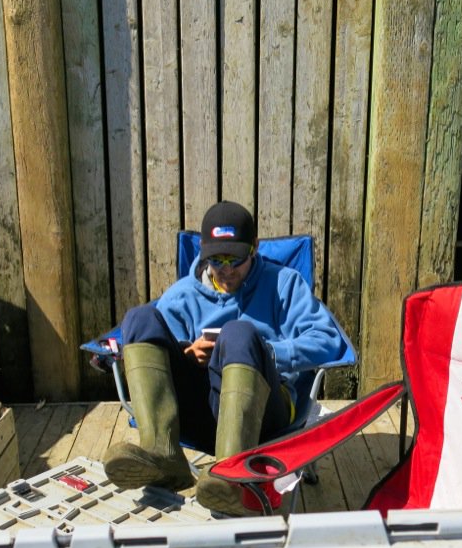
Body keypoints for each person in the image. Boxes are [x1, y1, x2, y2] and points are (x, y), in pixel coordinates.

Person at [102, 200, 347, 515]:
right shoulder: (182, 295)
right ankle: (163, 454)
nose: (227, 269)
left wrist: (267, 352)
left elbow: (329, 341)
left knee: (238, 334)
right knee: (138, 318)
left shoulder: (283, 284)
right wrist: (187, 353)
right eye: (216, 260)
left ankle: (233, 477)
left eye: (236, 258)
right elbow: (164, 350)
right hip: (201, 412)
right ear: (203, 253)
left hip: (265, 411)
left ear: (254, 248)